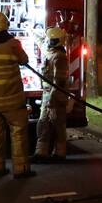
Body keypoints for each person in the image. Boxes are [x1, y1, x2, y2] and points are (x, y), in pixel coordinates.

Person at [0, 11, 35, 178]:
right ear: (6, 27)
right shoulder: (14, 44)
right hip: (12, 101)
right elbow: (24, 60)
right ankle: (21, 168)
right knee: (18, 133)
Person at [33, 27, 69, 163]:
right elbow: (41, 42)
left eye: (51, 40)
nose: (48, 42)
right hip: (48, 96)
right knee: (43, 124)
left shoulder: (59, 57)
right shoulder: (51, 52)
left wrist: (52, 102)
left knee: (58, 125)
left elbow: (58, 83)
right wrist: (31, 30)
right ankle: (40, 153)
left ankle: (60, 154)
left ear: (56, 41)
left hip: (56, 98)